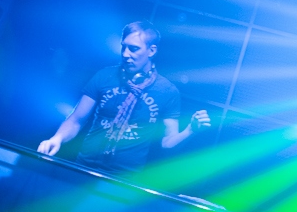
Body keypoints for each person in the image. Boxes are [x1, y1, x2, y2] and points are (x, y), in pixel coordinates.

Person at [37, 20, 210, 174]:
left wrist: (190, 130)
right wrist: (57, 138)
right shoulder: (104, 76)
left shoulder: (167, 91)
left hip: (124, 180)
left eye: (134, 49)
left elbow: (167, 143)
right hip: (83, 169)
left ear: (151, 50)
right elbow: (76, 120)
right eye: (124, 47)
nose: (126, 54)